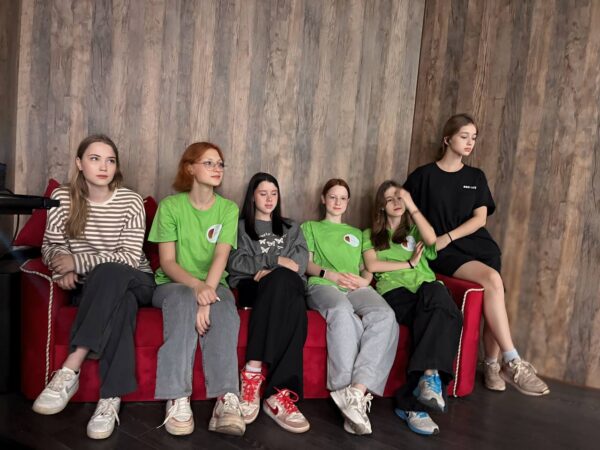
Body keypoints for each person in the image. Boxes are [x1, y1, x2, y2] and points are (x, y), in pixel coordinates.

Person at [404, 113, 549, 396]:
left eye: (474, 137)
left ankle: (493, 364)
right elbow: (406, 213)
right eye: (464, 136)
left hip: (476, 245)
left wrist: (448, 236)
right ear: (447, 139)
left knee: (496, 291)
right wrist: (418, 244)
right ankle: (513, 362)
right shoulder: (423, 176)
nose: (470, 142)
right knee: (493, 281)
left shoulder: (475, 176)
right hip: (443, 252)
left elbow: (480, 219)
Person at [32, 135, 155, 440]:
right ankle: (110, 399)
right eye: (95, 159)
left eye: (110, 160)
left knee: (112, 273)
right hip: (96, 290)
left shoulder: (130, 201)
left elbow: (128, 257)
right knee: (121, 305)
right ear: (79, 163)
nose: (103, 167)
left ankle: (72, 365)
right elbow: (51, 246)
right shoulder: (63, 197)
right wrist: (60, 267)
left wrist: (76, 262)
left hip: (137, 280)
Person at [149, 142, 244, 436]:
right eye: (209, 163)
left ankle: (226, 398)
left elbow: (220, 257)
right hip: (174, 284)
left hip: (214, 284)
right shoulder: (170, 206)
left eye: (220, 164)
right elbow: (167, 263)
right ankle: (177, 397)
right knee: (182, 299)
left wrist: (206, 296)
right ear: (190, 168)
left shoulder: (228, 209)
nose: (217, 169)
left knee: (223, 305)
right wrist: (196, 287)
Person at [363, 180, 463, 436]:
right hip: (395, 292)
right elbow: (372, 266)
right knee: (443, 316)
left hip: (427, 290)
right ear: (381, 206)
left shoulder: (415, 231)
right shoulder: (370, 235)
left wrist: (411, 204)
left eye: (400, 198)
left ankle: (426, 381)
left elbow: (433, 240)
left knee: (442, 300)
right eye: (390, 199)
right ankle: (418, 396)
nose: (396, 203)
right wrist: (408, 264)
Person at [301, 179, 398, 435]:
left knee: (385, 315)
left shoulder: (357, 233)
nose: (337, 202)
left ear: (348, 202)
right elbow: (306, 264)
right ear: (323, 199)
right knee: (343, 312)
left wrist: (364, 281)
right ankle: (345, 393)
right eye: (332, 197)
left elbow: (367, 268)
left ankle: (356, 391)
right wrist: (329, 274)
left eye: (343, 198)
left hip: (356, 287)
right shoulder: (310, 227)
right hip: (324, 284)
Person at [227, 172, 310, 434]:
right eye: (263, 193)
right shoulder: (241, 227)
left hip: (284, 285)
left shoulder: (291, 227)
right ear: (252, 197)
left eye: (274, 193)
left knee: (285, 282)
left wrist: (272, 270)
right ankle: (279, 393)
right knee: (293, 301)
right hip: (252, 287)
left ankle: (253, 370)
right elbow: (234, 261)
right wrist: (275, 261)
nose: (269, 199)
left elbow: (298, 264)